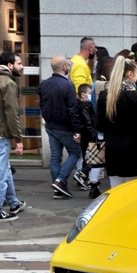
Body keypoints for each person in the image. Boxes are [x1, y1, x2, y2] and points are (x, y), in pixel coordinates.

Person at [97, 56, 137, 188]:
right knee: (133, 192)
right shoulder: (136, 97)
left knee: (115, 191)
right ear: (130, 74)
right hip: (134, 151)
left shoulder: (105, 96)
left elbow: (100, 125)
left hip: (112, 149)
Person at [39, 55, 83, 199]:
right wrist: (77, 130)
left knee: (55, 157)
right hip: (65, 127)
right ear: (64, 67)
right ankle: (61, 181)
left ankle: (58, 188)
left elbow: (42, 105)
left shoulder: (44, 84)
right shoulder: (68, 85)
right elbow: (72, 109)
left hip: (51, 126)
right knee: (75, 152)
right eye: (68, 65)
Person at [0, 51, 24, 221]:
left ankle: (13, 202)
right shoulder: (8, 83)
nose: (22, 66)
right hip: (2, 134)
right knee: (1, 173)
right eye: (19, 63)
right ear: (9, 65)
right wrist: (18, 138)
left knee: (6, 169)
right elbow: (12, 113)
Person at [74, 84, 94, 192]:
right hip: (87, 135)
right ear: (83, 94)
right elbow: (88, 122)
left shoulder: (77, 105)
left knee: (86, 157)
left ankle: (82, 178)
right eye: (90, 93)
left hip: (83, 134)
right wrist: (93, 135)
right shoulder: (86, 106)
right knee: (91, 158)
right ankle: (82, 175)